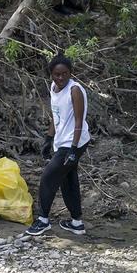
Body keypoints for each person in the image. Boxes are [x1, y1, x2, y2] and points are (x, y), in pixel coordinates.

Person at [25, 55, 90, 237]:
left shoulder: (75, 90)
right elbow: (56, 115)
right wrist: (48, 138)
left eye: (64, 74)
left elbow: (79, 121)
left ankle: (43, 220)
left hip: (74, 141)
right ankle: (77, 223)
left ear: (70, 73)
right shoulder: (54, 88)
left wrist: (73, 149)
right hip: (62, 140)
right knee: (68, 180)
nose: (60, 78)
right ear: (51, 74)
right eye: (56, 74)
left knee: (48, 178)